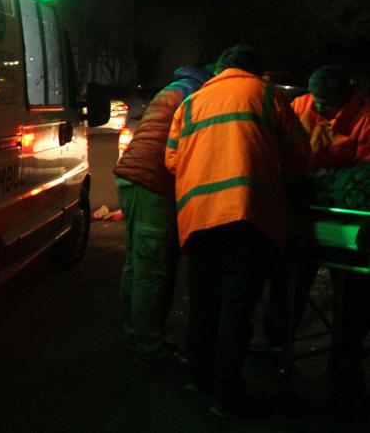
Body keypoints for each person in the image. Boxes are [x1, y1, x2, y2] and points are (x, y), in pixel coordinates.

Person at [164, 45, 309, 419]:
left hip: (198, 218)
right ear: (256, 71)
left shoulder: (192, 103)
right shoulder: (267, 95)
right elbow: (299, 155)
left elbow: (172, 160)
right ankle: (228, 396)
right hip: (247, 216)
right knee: (236, 307)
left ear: (223, 69)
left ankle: (199, 377)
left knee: (204, 301)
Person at [258, 64, 370, 411]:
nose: (319, 110)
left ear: (345, 99)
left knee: (351, 290)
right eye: (317, 102)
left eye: (328, 106)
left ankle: (346, 353)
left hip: (344, 221)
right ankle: (276, 338)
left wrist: (327, 173)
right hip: (301, 213)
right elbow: (283, 152)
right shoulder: (300, 106)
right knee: (288, 279)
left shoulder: (365, 118)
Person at [114, 65, 212, 371]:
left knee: (137, 263)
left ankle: (136, 338)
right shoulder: (197, 95)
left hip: (132, 178)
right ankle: (149, 347)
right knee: (152, 268)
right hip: (153, 183)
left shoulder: (175, 89)